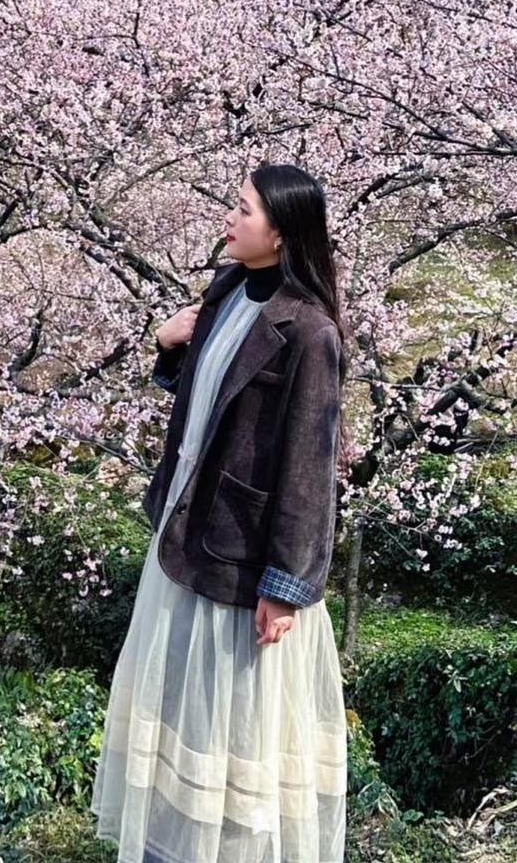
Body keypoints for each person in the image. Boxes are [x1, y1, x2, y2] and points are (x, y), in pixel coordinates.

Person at [92, 162, 349, 863]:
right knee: (177, 711)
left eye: (243, 210)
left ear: (283, 234)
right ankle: (167, 849)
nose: (229, 220)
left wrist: (287, 586)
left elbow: (309, 468)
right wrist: (168, 346)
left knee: (235, 735)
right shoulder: (230, 286)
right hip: (185, 532)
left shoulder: (310, 334)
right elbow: (211, 395)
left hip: (244, 562)